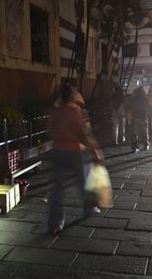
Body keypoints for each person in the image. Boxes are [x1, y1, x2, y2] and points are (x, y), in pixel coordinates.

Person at [48, 84, 103, 235]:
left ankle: (55, 222)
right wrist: (94, 150)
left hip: (58, 151)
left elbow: (51, 130)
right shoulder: (74, 111)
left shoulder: (56, 112)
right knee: (84, 182)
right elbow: (82, 134)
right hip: (74, 152)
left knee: (57, 189)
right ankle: (89, 208)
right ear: (72, 97)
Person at [128, 87, 150, 153]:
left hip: (135, 117)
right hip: (143, 117)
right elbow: (148, 107)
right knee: (144, 132)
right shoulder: (146, 98)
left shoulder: (133, 98)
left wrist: (129, 117)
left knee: (134, 133)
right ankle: (146, 144)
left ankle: (135, 147)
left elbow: (129, 108)